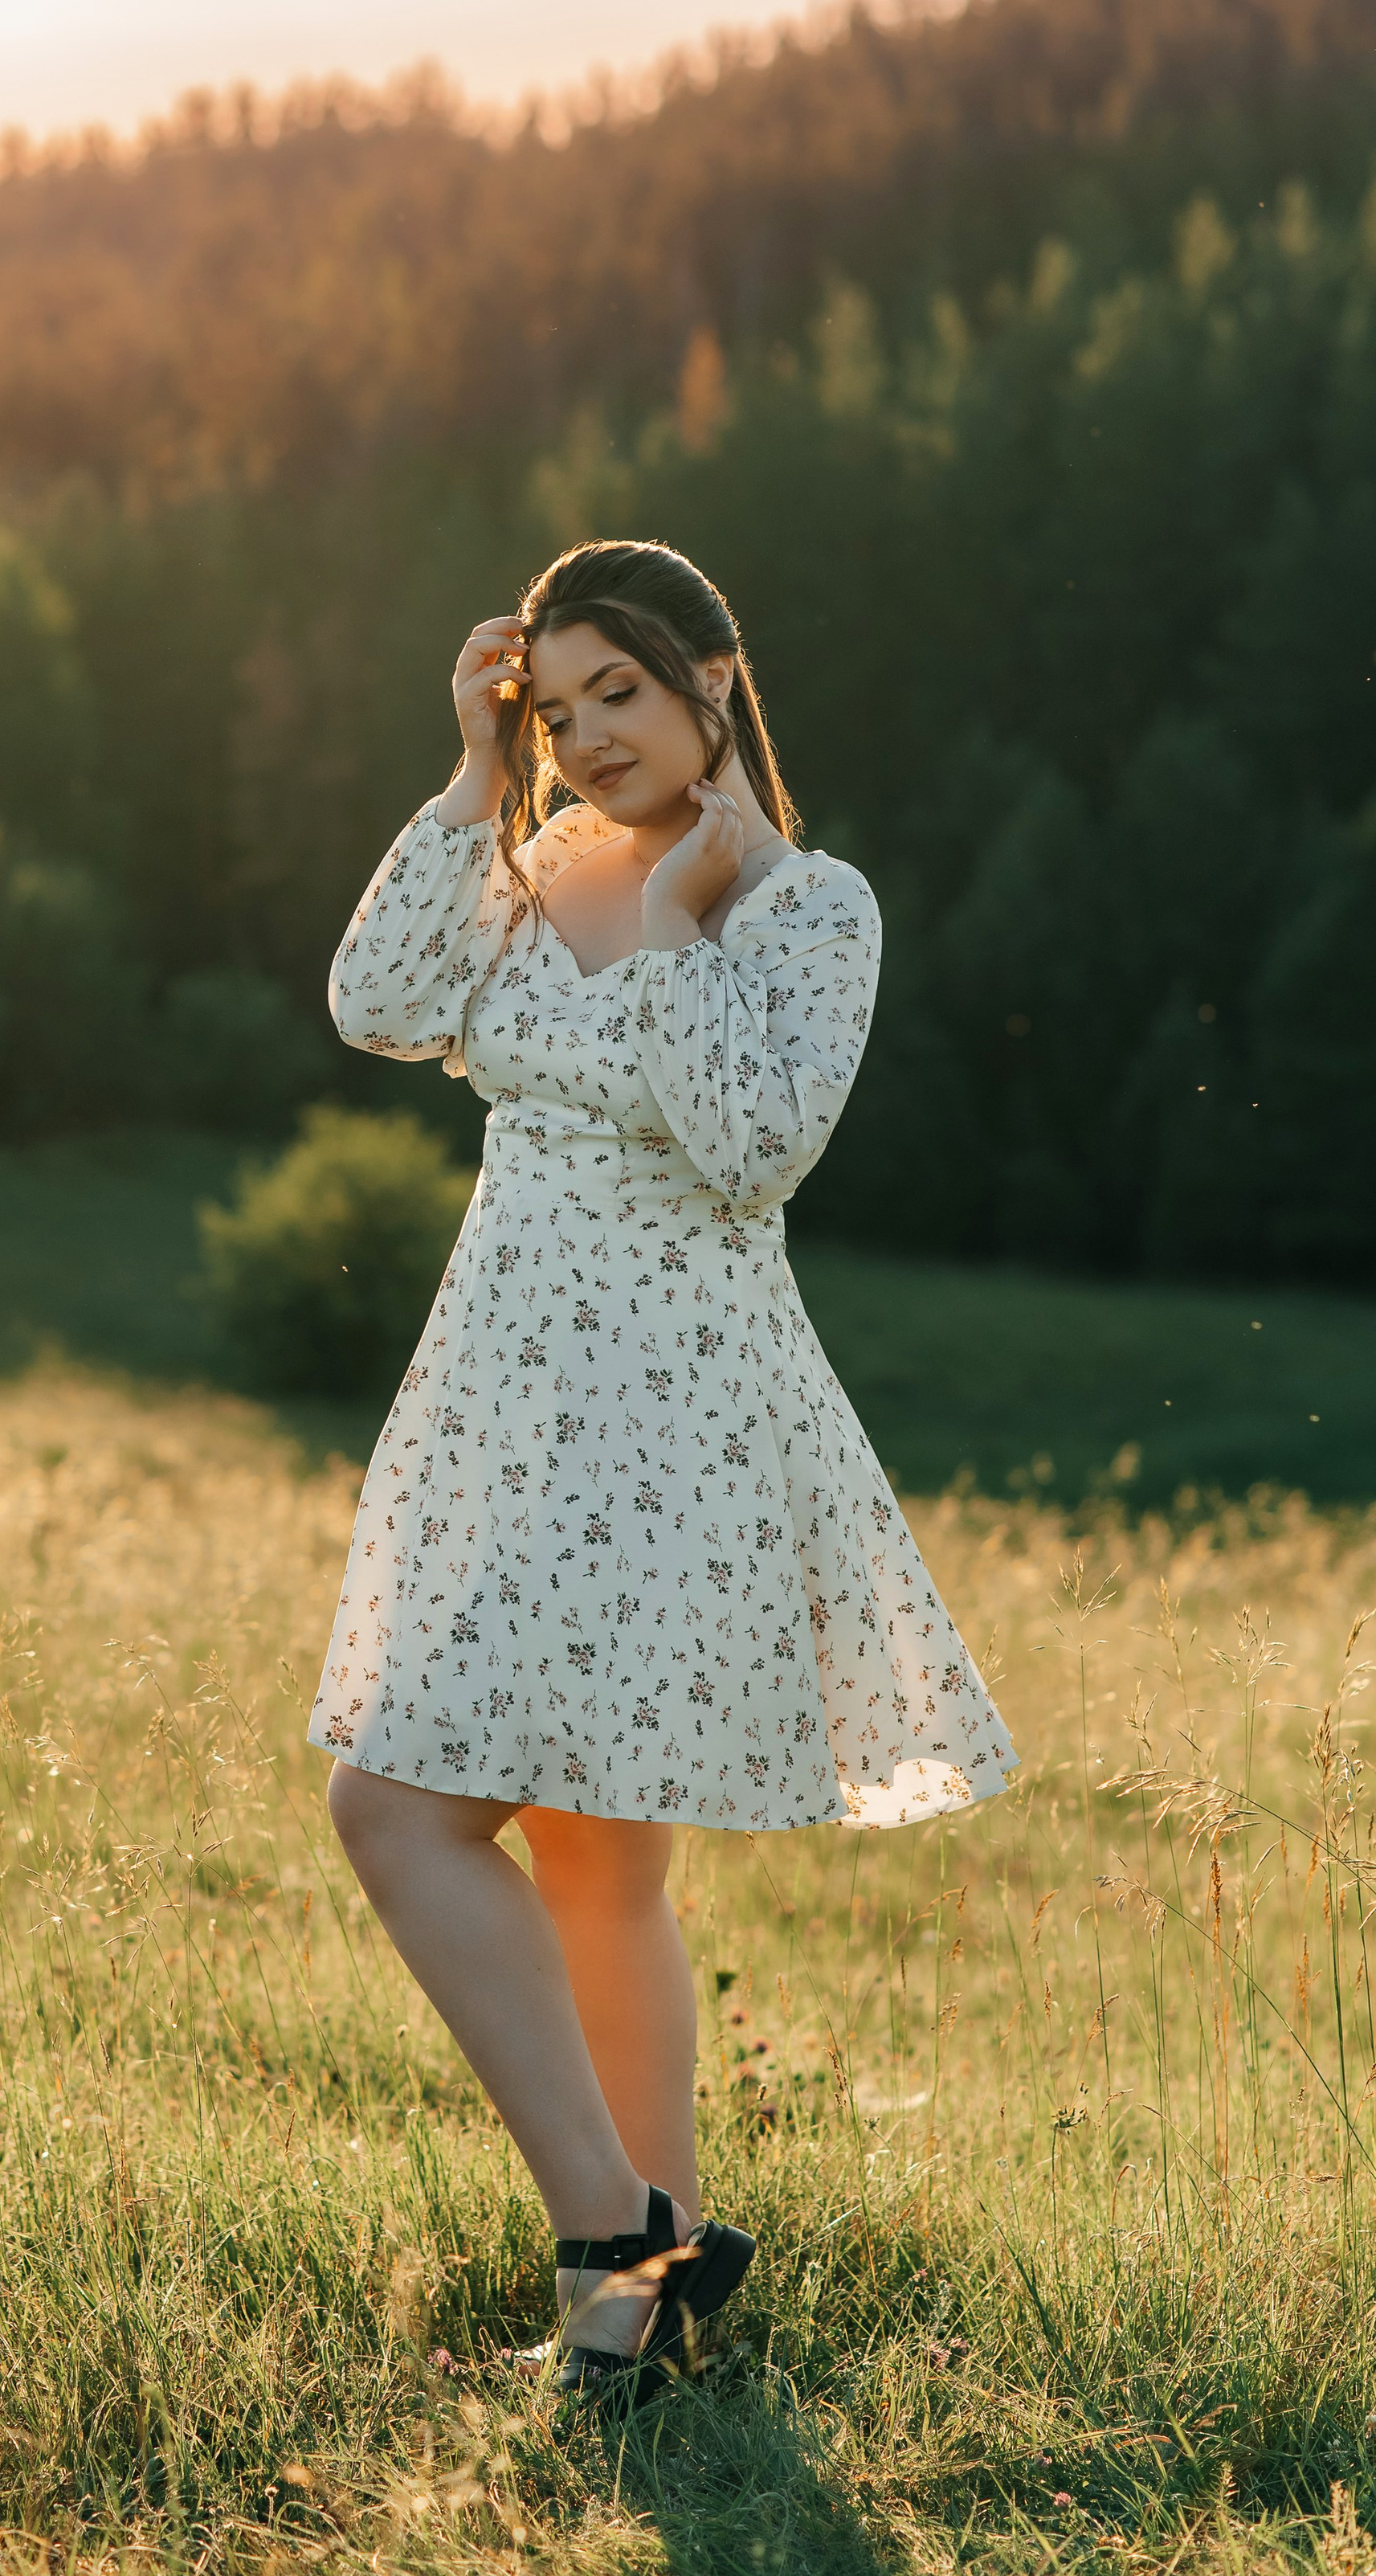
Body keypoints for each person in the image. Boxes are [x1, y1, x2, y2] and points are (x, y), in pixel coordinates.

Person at [310, 536, 1015, 2402]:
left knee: (406, 1814)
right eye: (555, 708)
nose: (589, 736)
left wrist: (690, 926)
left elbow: (750, 1147)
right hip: (495, 1405)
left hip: (672, 1419)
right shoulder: (529, 864)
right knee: (576, 1852)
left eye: (616, 691)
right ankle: (652, 2275)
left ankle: (608, 2232)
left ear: (712, 675)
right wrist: (471, 781)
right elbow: (377, 1004)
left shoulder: (805, 908)